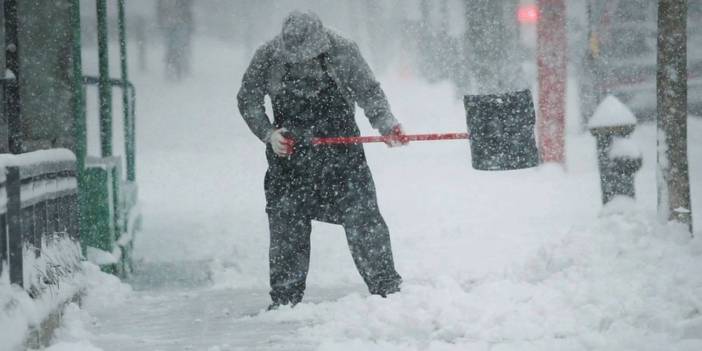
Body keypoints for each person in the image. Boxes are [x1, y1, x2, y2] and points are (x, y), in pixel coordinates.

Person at [237, 11, 407, 309]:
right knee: (286, 228)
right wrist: (268, 133)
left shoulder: (343, 50)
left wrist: (386, 124)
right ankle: (285, 300)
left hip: (342, 159)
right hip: (289, 160)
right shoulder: (267, 55)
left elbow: (369, 91)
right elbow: (248, 99)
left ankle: (387, 291)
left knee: (364, 220)